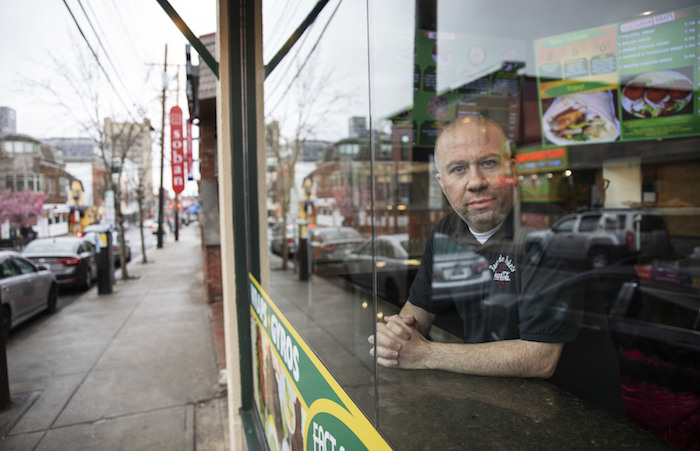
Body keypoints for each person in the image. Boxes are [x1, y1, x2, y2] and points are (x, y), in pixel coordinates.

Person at [368, 115, 623, 414]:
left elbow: (539, 357)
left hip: (575, 417)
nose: (475, 182)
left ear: (512, 169)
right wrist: (398, 335)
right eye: (458, 169)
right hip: (495, 402)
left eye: (488, 163)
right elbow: (420, 307)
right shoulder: (447, 232)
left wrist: (424, 354)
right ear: (442, 182)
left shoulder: (550, 233)